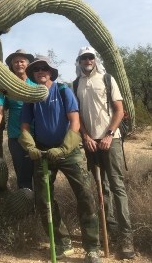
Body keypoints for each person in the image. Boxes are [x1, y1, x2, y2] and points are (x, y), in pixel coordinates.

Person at [19, 55, 101, 263]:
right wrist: (30, 146)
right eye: (36, 69)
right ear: (33, 74)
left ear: (51, 72)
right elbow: (25, 127)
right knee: (43, 198)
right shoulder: (31, 97)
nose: (40, 72)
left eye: (44, 69)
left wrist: (64, 148)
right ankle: (62, 242)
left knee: (84, 193)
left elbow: (74, 122)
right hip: (44, 152)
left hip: (69, 151)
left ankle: (92, 247)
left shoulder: (63, 90)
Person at [75, 46, 135, 259]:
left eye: (90, 56)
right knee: (102, 189)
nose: (87, 60)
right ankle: (109, 231)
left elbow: (119, 109)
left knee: (117, 186)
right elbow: (77, 114)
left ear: (95, 59)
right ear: (79, 61)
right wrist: (86, 136)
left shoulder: (107, 79)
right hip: (91, 142)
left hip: (111, 139)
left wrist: (109, 134)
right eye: (84, 57)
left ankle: (126, 237)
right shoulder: (77, 83)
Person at [0, 49, 35, 189]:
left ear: (28, 64)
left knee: (41, 176)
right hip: (17, 138)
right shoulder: (7, 87)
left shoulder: (36, 84)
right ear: (11, 66)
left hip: (37, 136)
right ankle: (27, 209)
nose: (19, 64)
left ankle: (44, 209)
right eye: (15, 62)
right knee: (23, 178)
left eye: (22, 61)